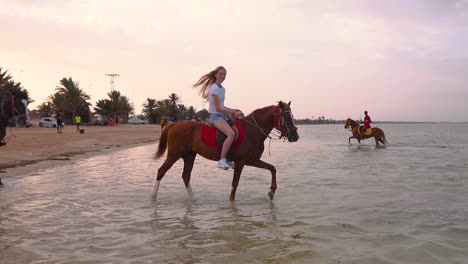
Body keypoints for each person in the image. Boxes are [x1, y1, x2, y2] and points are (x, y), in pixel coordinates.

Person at [193, 66, 243, 170]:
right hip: (215, 117)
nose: (223, 76)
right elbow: (218, 108)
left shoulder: (222, 89)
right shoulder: (214, 88)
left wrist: (235, 110)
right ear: (216, 74)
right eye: (221, 73)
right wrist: (233, 112)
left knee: (236, 131)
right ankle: (221, 160)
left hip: (222, 116)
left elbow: (223, 106)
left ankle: (229, 158)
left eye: (224, 74)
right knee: (231, 134)